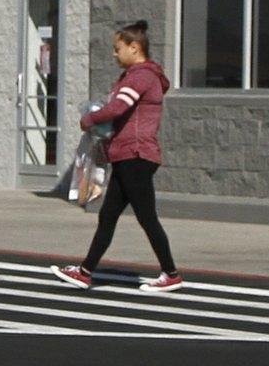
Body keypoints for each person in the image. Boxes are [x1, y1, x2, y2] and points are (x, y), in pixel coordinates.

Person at [52, 21, 182, 292]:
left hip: (136, 154)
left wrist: (89, 120)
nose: (114, 54)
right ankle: (85, 272)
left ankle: (171, 274)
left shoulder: (140, 76)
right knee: (108, 216)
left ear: (134, 48)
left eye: (117, 48)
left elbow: (116, 108)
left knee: (147, 217)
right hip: (127, 155)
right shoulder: (139, 75)